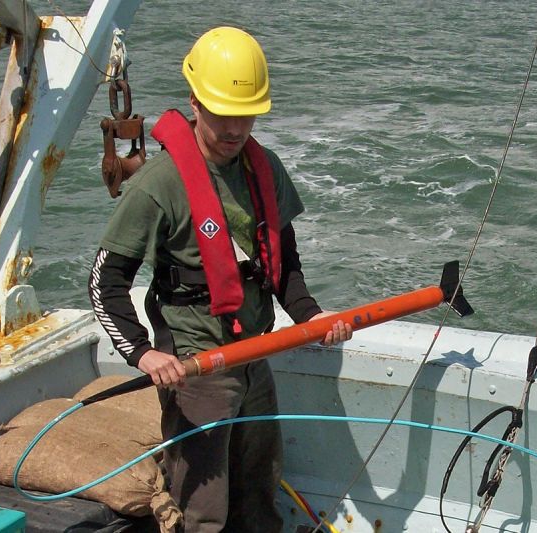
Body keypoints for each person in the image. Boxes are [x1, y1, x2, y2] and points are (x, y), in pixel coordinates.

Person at [88, 26, 352, 532]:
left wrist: (312, 316)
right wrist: (144, 354)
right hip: (198, 368)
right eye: (223, 116)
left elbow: (285, 260)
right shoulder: (157, 186)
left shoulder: (264, 167)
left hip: (254, 357)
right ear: (194, 103)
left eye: (247, 115)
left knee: (260, 492)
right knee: (204, 513)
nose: (235, 130)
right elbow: (105, 281)